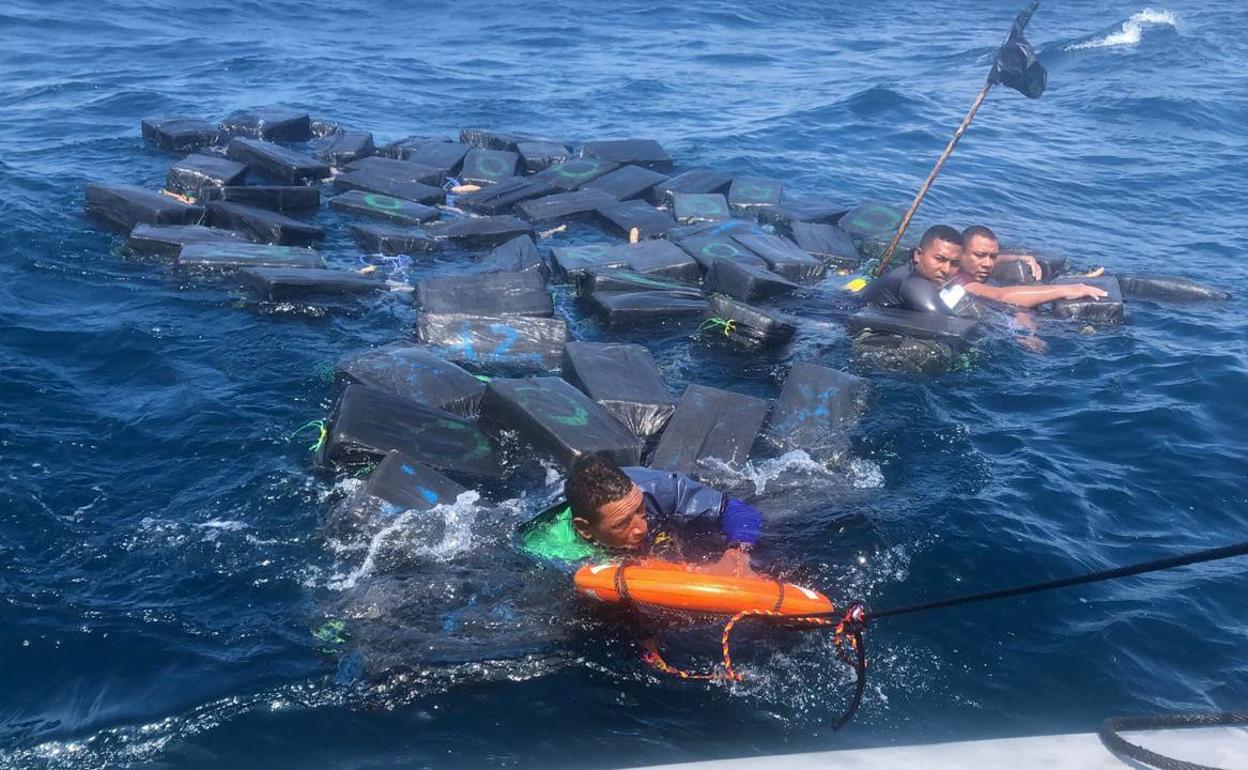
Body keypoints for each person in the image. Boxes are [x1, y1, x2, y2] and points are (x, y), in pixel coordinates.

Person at [520, 453, 763, 577]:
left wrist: (737, 551)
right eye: (623, 523)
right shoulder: (548, 546)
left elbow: (737, 509)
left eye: (640, 511)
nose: (642, 528)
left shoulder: (654, 490)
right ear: (584, 528)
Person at [951, 225, 1107, 307]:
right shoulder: (957, 279)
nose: (987, 264)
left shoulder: (970, 265)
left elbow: (997, 258)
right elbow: (1001, 296)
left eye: (992, 256)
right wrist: (1067, 290)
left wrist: (1023, 257)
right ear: (960, 253)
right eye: (979, 255)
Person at [862, 224, 967, 313]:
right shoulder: (913, 282)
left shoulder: (909, 272)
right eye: (939, 259)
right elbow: (947, 323)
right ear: (918, 255)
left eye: (955, 263)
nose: (946, 270)